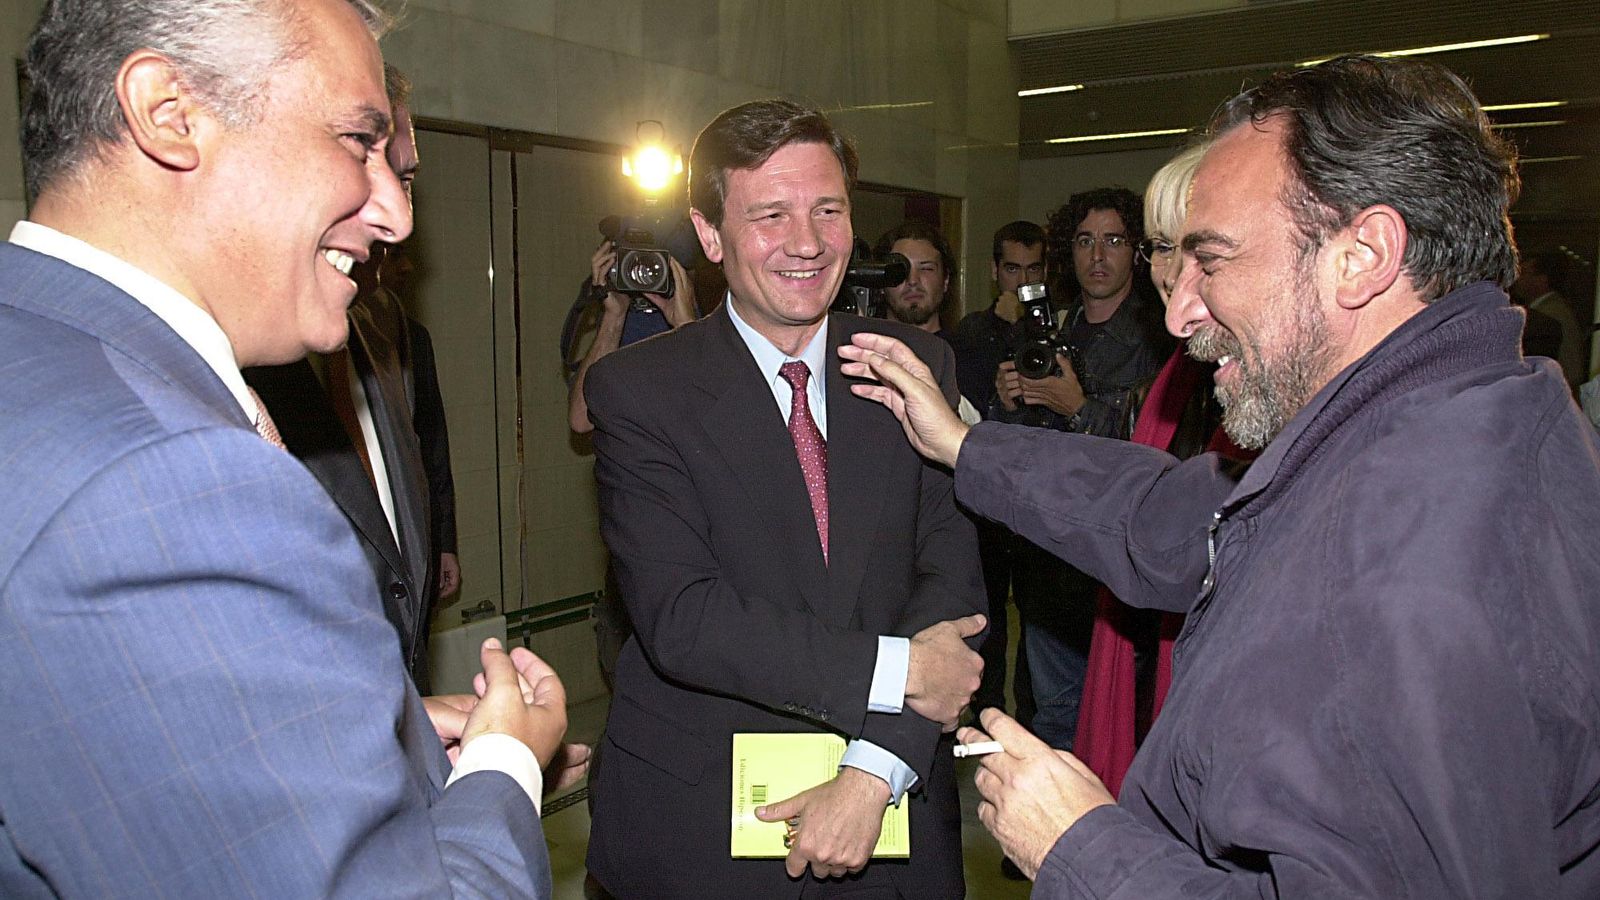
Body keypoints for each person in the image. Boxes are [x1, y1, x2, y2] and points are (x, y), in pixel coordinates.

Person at [841, 54, 1600, 896]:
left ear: (1363, 255)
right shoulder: (1449, 418)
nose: (1178, 312)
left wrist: (1079, 845)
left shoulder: (1402, 565)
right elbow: (1178, 514)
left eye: (1215, 260)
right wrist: (966, 445)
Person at [0, 1, 579, 895]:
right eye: (356, 141)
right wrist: (505, 762)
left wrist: (375, 735)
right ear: (168, 113)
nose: (396, 215)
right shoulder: (177, 484)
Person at [583, 99, 987, 898]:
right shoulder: (639, 391)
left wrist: (874, 769)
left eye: (827, 211)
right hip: (704, 823)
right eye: (770, 215)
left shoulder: (913, 365)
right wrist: (900, 668)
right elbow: (684, 618)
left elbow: (951, 584)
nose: (807, 242)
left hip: (892, 809)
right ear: (709, 235)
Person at [246, 64, 439, 692]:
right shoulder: (226, 372)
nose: (399, 218)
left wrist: (407, 724)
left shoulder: (383, 326)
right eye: (357, 151)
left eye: (405, 178)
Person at [1068, 144, 1242, 798]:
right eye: (1162, 248)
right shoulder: (1185, 369)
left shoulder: (1242, 382)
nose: (1170, 274)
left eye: (1197, 251)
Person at [993, 188, 1173, 754]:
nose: (1098, 255)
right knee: (1054, 719)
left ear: (1136, 252)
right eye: (1085, 241)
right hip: (1050, 554)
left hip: (1118, 561)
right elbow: (1022, 445)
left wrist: (1077, 407)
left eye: (1113, 240)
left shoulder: (1161, 339)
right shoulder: (1051, 331)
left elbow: (1158, 456)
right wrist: (1009, 400)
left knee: (1122, 723)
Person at [1512, 249, 1587, 389]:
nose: (1517, 278)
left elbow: (1571, 369)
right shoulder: (1555, 308)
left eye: (1524, 273)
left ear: (1542, 279)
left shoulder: (1548, 315)